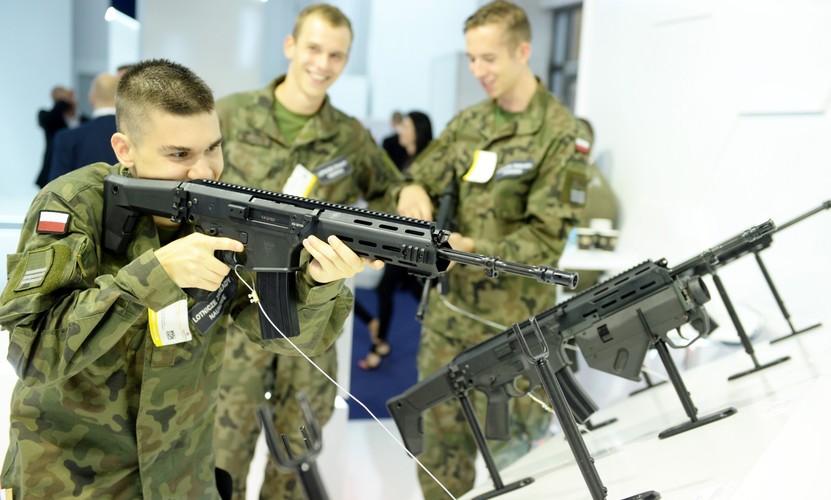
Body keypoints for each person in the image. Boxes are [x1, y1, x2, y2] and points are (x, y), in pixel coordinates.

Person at [0, 58, 376, 499]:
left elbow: (281, 337)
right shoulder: (73, 204)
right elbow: (34, 354)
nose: (204, 171)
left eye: (213, 148)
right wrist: (153, 275)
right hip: (76, 480)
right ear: (125, 149)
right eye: (179, 154)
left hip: (181, 475)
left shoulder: (221, 211)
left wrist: (318, 282)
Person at [211, 4, 431, 499]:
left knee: (295, 463)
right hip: (233, 316)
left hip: (309, 319)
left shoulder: (349, 136)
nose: (323, 63)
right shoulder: (230, 114)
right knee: (219, 460)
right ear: (290, 46)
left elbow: (388, 189)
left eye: (336, 55)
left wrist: (408, 193)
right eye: (313, 48)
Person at [396, 1, 590, 497]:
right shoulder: (468, 125)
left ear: (523, 51)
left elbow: (546, 241)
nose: (477, 71)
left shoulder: (563, 135)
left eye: (489, 59)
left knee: (518, 458)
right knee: (438, 455)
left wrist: (472, 247)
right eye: (471, 59)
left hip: (511, 333)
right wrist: (411, 189)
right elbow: (422, 173)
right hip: (447, 322)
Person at [358, 110, 434, 370]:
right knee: (404, 290)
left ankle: (379, 345)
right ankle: (380, 344)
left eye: (406, 126)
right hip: (401, 240)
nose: (399, 130)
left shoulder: (428, 164)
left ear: (418, 131)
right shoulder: (404, 158)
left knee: (394, 290)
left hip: (413, 244)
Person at [46, 72, 120, 183]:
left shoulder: (67, 138)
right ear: (121, 98)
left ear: (91, 98)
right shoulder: (135, 136)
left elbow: (55, 191)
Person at [35, 85, 86, 188]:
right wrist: (63, 102)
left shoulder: (84, 120)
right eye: (62, 98)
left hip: (80, 171)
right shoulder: (48, 117)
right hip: (53, 172)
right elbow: (49, 120)